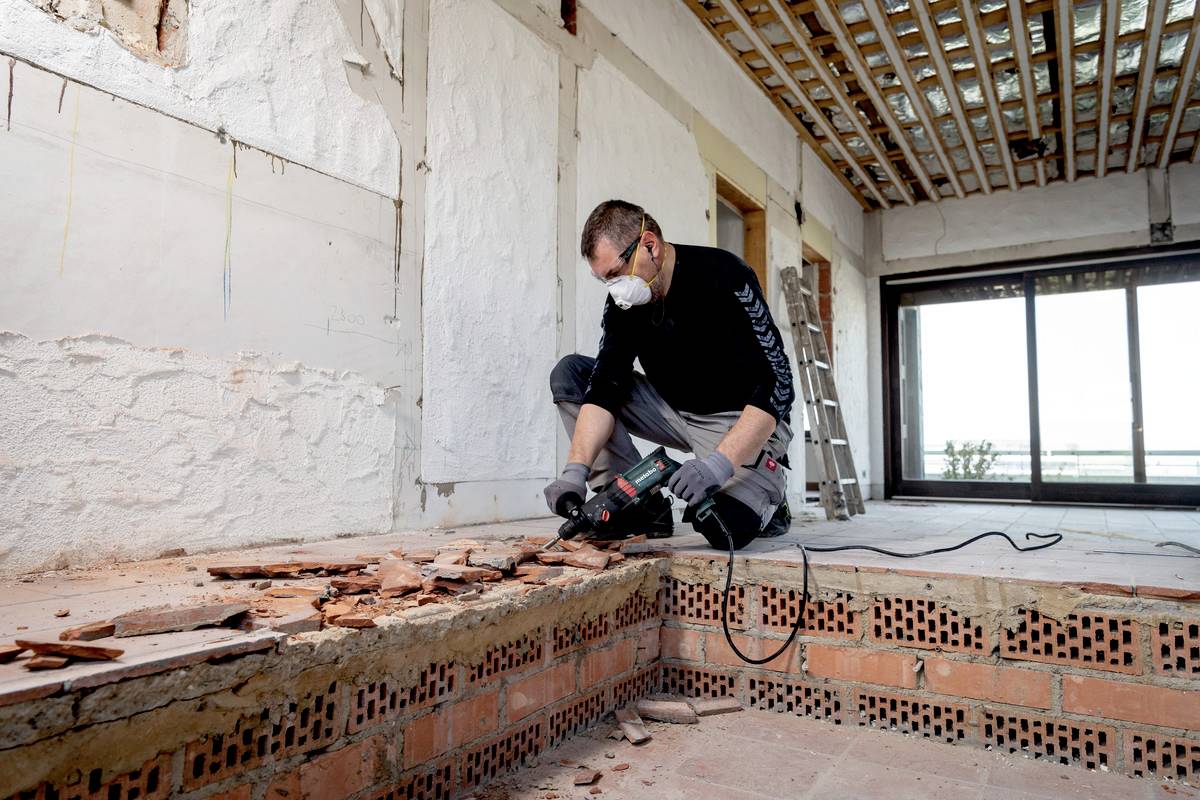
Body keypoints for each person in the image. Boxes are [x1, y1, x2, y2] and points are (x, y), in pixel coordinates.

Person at [544, 199, 795, 549]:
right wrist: (575, 471)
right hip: (673, 410)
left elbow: (779, 383)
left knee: (724, 528)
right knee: (572, 374)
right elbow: (605, 386)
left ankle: (771, 499)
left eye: (616, 275)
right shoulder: (625, 304)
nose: (615, 290)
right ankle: (637, 505)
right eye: (604, 280)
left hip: (738, 419)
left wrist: (719, 467)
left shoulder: (724, 275)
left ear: (650, 245)